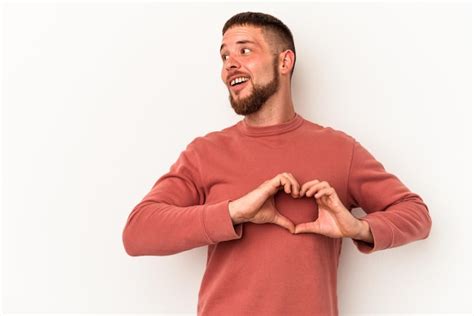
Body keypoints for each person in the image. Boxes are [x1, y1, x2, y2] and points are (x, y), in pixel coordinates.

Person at [122, 11, 432, 316]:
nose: (230, 64)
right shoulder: (205, 152)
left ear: (284, 62)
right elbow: (138, 232)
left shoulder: (339, 149)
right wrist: (234, 212)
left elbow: (416, 213)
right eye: (224, 55)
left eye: (245, 50)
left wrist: (358, 228)